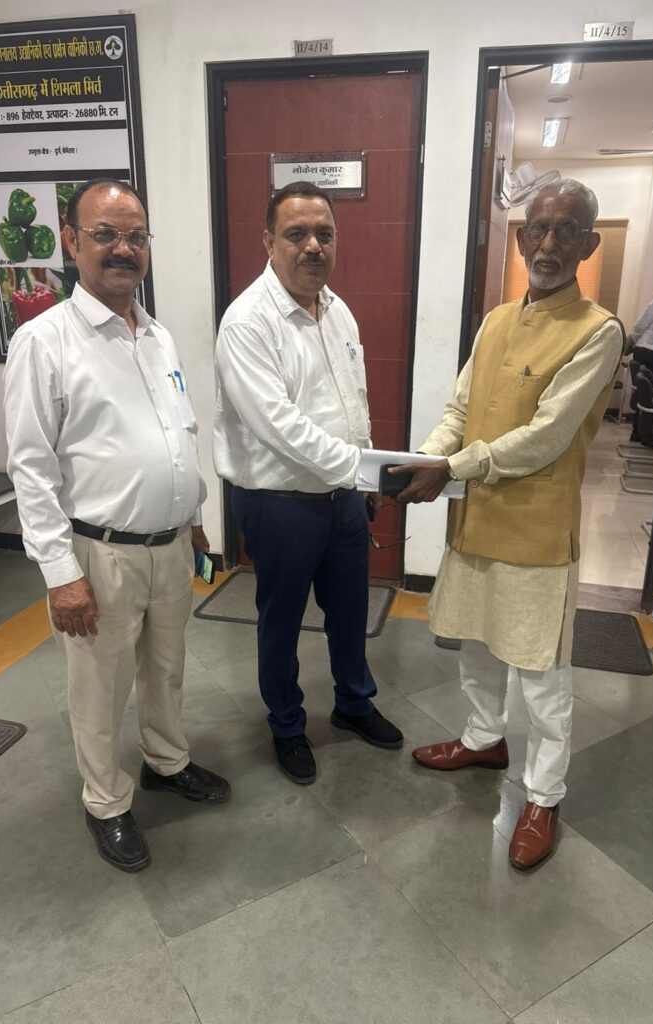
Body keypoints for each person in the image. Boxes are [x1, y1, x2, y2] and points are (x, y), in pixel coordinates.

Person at [389, 179, 625, 870]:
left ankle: (544, 796)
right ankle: (483, 739)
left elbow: (546, 437)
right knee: (478, 649)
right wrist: (424, 460)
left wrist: (453, 468)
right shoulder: (495, 321)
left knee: (542, 675)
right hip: (476, 520)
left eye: (566, 230)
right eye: (537, 229)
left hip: (536, 532)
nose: (548, 244)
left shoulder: (598, 331)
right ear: (520, 239)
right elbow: (460, 411)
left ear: (589, 243)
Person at [4, 179, 229, 874]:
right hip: (98, 556)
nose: (123, 249)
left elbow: (178, 436)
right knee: (99, 689)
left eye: (135, 236)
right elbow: (31, 468)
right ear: (71, 242)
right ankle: (105, 801)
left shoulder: (157, 336)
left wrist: (194, 518)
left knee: (166, 669)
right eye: (105, 234)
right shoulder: (44, 342)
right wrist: (60, 575)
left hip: (170, 548)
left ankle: (166, 761)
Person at [213, 180, 403, 785]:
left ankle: (354, 703)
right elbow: (279, 427)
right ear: (268, 242)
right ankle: (287, 724)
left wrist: (363, 474)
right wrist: (362, 467)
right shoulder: (248, 323)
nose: (313, 246)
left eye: (324, 233)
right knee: (282, 619)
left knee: (350, 611)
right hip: (279, 503)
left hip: (343, 496)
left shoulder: (337, 309)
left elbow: (354, 400)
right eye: (296, 234)